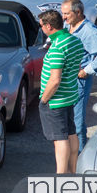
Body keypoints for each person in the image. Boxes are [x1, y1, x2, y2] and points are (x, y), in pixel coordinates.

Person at [37, 9, 86, 174]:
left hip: (56, 100)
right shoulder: (74, 41)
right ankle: (73, 170)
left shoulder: (57, 47)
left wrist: (44, 99)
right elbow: (77, 67)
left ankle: (61, 175)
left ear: (49, 26)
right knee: (71, 134)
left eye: (42, 26)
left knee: (60, 139)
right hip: (70, 95)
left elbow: (55, 80)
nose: (41, 29)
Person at [61, 0, 97, 151]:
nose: (64, 17)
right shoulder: (68, 26)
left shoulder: (89, 31)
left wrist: (86, 71)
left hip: (78, 82)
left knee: (76, 123)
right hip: (66, 80)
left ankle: (79, 159)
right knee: (67, 122)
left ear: (78, 12)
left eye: (67, 14)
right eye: (62, 13)